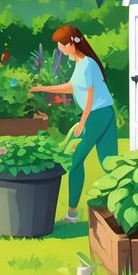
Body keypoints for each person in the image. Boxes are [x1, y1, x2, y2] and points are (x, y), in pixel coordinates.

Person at [30, 25, 118, 223]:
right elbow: (72, 87)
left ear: (72, 43)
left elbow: (90, 96)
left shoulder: (87, 64)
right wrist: (44, 88)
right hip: (104, 113)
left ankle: (72, 214)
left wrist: (83, 122)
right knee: (109, 163)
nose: (60, 49)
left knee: (76, 160)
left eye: (62, 45)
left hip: (98, 114)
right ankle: (118, 206)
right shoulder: (80, 63)